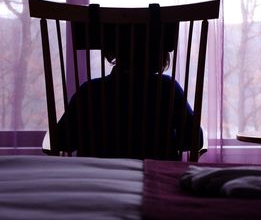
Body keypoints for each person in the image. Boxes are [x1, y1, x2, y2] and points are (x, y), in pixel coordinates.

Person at [55, 21, 203, 160]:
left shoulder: (90, 91)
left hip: (97, 178)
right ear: (160, 53)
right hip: (155, 177)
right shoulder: (168, 89)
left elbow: (61, 140)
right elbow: (194, 140)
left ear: (112, 51)